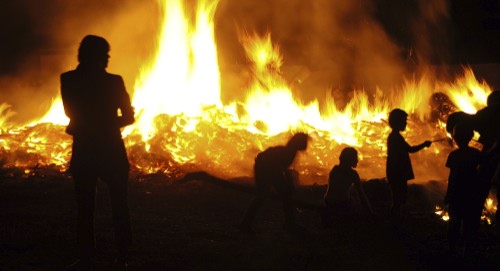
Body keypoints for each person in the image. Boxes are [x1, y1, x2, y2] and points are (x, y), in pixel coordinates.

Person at [61, 35, 135, 269]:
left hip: (85, 147)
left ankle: (85, 257)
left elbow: (70, 113)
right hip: (111, 148)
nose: (107, 58)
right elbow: (129, 116)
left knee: (85, 207)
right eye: (105, 54)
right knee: (119, 204)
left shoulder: (69, 79)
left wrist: (90, 122)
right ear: (96, 56)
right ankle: (123, 255)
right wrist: (110, 122)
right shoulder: (114, 81)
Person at [239, 132, 310, 234]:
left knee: (284, 194)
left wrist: (289, 184)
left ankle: (289, 223)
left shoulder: (291, 151)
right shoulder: (288, 152)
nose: (306, 144)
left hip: (271, 169)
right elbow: (281, 168)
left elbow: (283, 168)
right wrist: (288, 183)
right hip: (264, 168)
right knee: (262, 196)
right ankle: (245, 224)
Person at [386, 109, 432, 223]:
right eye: (404, 121)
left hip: (395, 172)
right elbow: (410, 149)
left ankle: (396, 219)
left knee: (398, 198)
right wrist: (424, 145)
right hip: (397, 172)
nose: (406, 123)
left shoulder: (394, 137)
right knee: (398, 198)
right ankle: (394, 221)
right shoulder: (396, 138)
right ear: (398, 122)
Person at [444, 123, 482, 254]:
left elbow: (452, 177)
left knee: (454, 221)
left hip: (457, 193)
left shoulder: (453, 156)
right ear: (470, 137)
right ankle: (468, 248)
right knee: (468, 222)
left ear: (455, 138)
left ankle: (452, 248)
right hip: (471, 192)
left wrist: (448, 194)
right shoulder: (476, 154)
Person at [323, 147, 373, 227]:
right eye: (355, 157)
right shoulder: (353, 174)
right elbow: (361, 194)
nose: (357, 160)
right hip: (341, 204)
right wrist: (370, 212)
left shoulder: (334, 169)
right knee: (355, 202)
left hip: (329, 201)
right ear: (350, 159)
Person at [473, 91, 500, 228]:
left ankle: (474, 218)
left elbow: (474, 124)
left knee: (482, 184)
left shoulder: (485, 113)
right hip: (491, 152)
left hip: (490, 154)